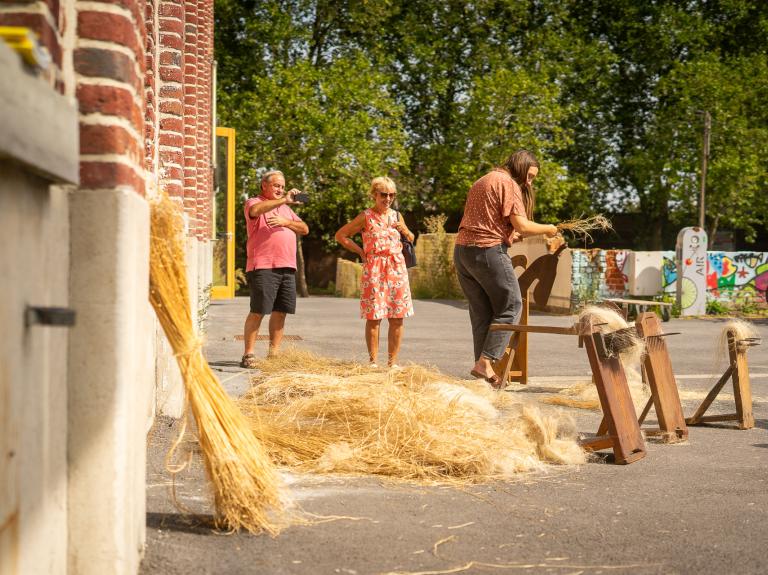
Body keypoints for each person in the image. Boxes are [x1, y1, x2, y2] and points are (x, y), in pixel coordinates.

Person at [453, 150, 559, 388]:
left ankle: (484, 369)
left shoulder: (483, 180)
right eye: (529, 176)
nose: (529, 182)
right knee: (512, 305)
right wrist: (549, 229)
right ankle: (486, 361)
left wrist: (510, 236)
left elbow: (491, 222)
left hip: (462, 253)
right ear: (520, 167)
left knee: (482, 312)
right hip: (487, 251)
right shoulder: (508, 183)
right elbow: (522, 224)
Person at [335, 177, 415, 368]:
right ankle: (373, 363)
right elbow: (341, 235)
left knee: (397, 317)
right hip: (375, 268)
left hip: (397, 268)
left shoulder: (397, 216)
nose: (388, 199)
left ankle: (392, 363)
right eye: (384, 195)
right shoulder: (366, 216)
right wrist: (362, 252)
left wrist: (404, 229)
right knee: (374, 317)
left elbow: (411, 238)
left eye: (392, 195)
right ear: (374, 195)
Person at [240, 170, 309, 368]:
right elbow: (256, 211)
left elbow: (304, 228)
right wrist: (284, 200)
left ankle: (274, 355)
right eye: (276, 186)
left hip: (287, 265)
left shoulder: (286, 210)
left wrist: (286, 221)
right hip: (263, 265)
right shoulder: (253, 202)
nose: (280, 189)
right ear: (264, 185)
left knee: (281, 311)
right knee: (258, 310)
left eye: (282, 186)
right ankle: (249, 355)